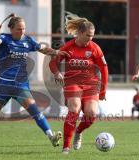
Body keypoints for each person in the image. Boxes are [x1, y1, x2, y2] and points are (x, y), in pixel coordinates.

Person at [0, 13, 69, 152]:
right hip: (3, 85)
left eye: (24, 29)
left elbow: (42, 49)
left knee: (35, 112)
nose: (22, 31)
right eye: (19, 29)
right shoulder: (4, 39)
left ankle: (51, 136)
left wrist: (56, 52)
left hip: (21, 85)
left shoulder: (28, 41)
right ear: (11, 29)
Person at [49, 13, 108, 154]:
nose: (91, 38)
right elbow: (53, 63)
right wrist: (57, 73)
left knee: (91, 113)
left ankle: (79, 131)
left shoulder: (95, 48)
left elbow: (104, 69)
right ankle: (66, 148)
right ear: (80, 33)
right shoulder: (67, 47)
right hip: (72, 83)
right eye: (88, 35)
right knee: (74, 108)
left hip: (91, 84)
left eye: (92, 35)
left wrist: (103, 91)